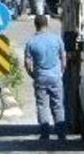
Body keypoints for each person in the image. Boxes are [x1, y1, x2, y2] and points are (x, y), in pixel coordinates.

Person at [24, 14, 66, 142]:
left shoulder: (31, 42)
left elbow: (27, 63)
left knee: (42, 105)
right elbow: (63, 58)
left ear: (35, 25)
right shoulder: (57, 39)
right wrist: (61, 72)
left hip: (40, 77)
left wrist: (33, 75)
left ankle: (45, 133)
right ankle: (61, 133)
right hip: (55, 76)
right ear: (47, 23)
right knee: (58, 105)